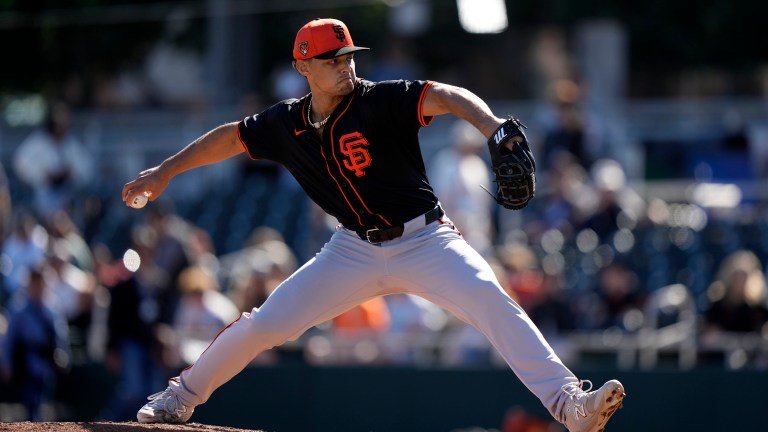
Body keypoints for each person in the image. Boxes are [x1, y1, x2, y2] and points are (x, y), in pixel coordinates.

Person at [124, 18, 625, 432]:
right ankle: (179, 398)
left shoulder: (380, 100)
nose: (344, 66)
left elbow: (447, 95)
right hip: (351, 250)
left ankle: (569, 404)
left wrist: (493, 127)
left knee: (496, 304)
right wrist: (166, 170)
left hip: (426, 238)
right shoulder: (286, 122)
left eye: (348, 56)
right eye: (331, 60)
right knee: (265, 324)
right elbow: (230, 138)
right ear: (303, 66)